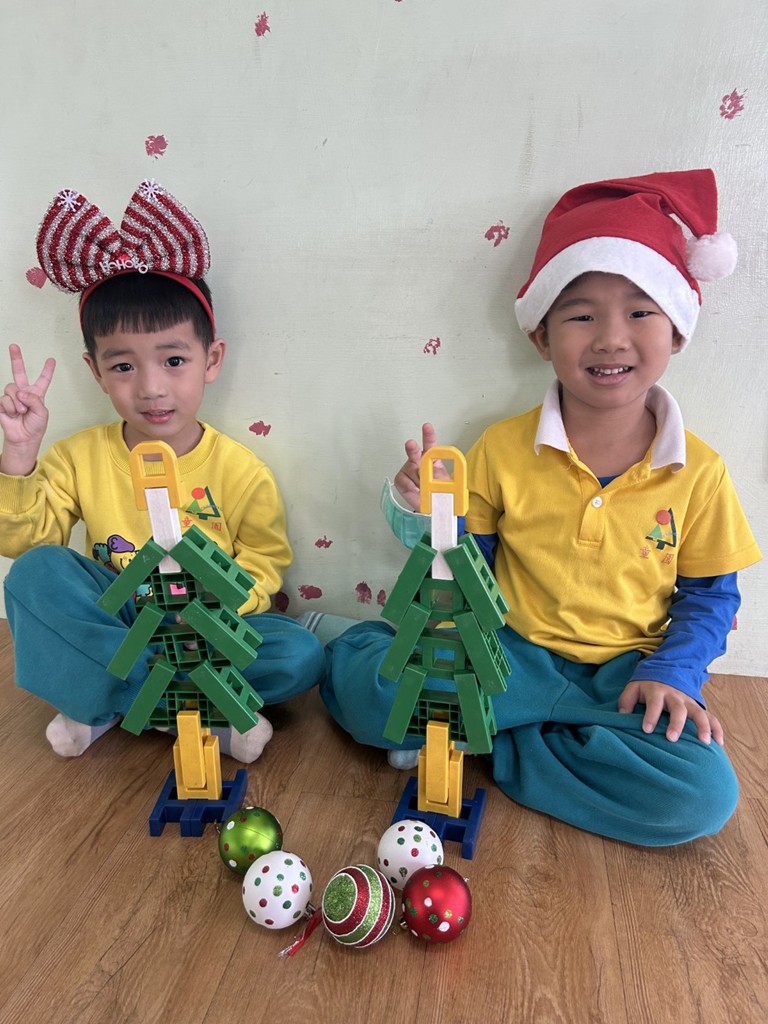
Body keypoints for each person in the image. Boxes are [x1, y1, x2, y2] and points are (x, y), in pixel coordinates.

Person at [319, 169, 762, 846]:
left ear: (676, 331)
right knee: (370, 695)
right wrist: (428, 515)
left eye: (641, 312)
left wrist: (671, 673)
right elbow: (463, 569)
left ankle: (492, 739)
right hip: (504, 654)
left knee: (698, 799)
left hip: (623, 676)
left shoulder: (699, 472)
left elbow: (710, 597)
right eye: (582, 315)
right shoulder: (502, 447)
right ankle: (426, 682)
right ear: (541, 337)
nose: (611, 338)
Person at [1, 180, 324, 761]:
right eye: (124, 366)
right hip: (121, 621)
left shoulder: (241, 470)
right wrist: (20, 457)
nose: (151, 387)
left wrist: (208, 613)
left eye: (174, 360)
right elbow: (26, 541)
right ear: (96, 372)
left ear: (211, 359)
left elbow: (264, 563)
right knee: (34, 574)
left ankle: (111, 701)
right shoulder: (77, 456)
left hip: (207, 626)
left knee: (298, 654)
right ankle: (180, 704)